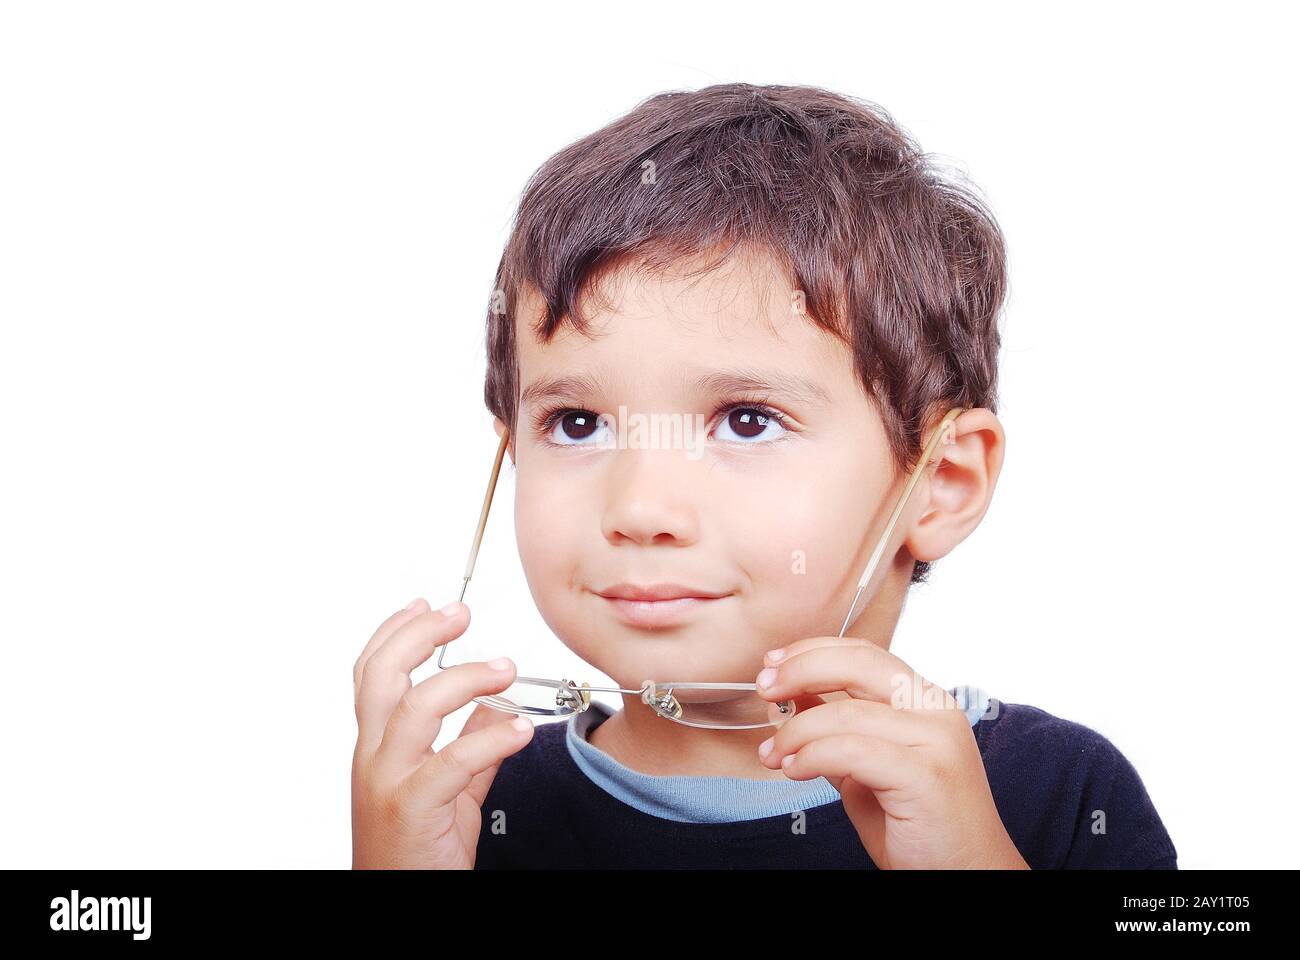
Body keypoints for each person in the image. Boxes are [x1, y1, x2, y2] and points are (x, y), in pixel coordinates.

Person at [351, 82, 1177, 870]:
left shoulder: (1057, 795)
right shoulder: (466, 808)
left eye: (746, 421)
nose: (640, 509)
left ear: (942, 481)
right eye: (577, 424)